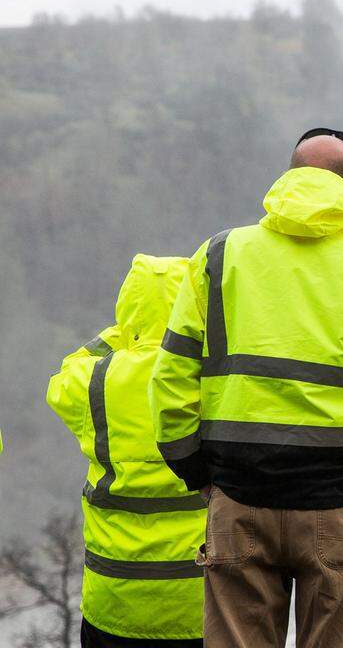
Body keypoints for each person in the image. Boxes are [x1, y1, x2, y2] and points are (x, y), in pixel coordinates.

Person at [150, 128, 343, 648]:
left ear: (289, 175)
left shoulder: (219, 257)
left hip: (237, 497)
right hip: (339, 502)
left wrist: (196, 471)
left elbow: (171, 378)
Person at [47, 254, 206, 647]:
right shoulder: (210, 378)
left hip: (113, 600)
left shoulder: (94, 380)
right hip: (201, 600)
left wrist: (124, 332)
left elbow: (67, 369)